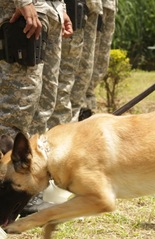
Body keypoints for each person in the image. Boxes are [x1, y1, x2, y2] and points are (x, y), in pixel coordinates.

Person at [0, 0, 73, 216]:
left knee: (43, 106)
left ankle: (26, 194)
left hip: (47, 14)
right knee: (14, 113)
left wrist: (60, 8)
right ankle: (4, 199)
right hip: (22, 13)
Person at [86, 0, 117, 110]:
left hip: (107, 5)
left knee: (100, 65)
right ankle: (81, 109)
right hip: (90, 6)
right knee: (84, 68)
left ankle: (87, 108)